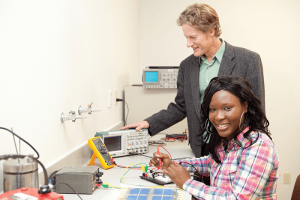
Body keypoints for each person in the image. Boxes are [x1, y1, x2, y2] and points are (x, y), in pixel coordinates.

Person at [121, 3, 265, 159]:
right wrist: (149, 124)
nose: (188, 44)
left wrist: (254, 149)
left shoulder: (248, 60)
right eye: (186, 37)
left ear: (211, 31)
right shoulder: (187, 66)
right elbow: (181, 106)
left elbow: (256, 110)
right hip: (201, 147)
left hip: (237, 148)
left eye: (193, 37)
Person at [149, 76, 279, 199]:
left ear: (245, 106)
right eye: (212, 109)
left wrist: (186, 183)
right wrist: (172, 164)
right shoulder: (227, 140)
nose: (218, 117)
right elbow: (209, 163)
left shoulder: (258, 145)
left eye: (227, 108)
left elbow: (236, 198)